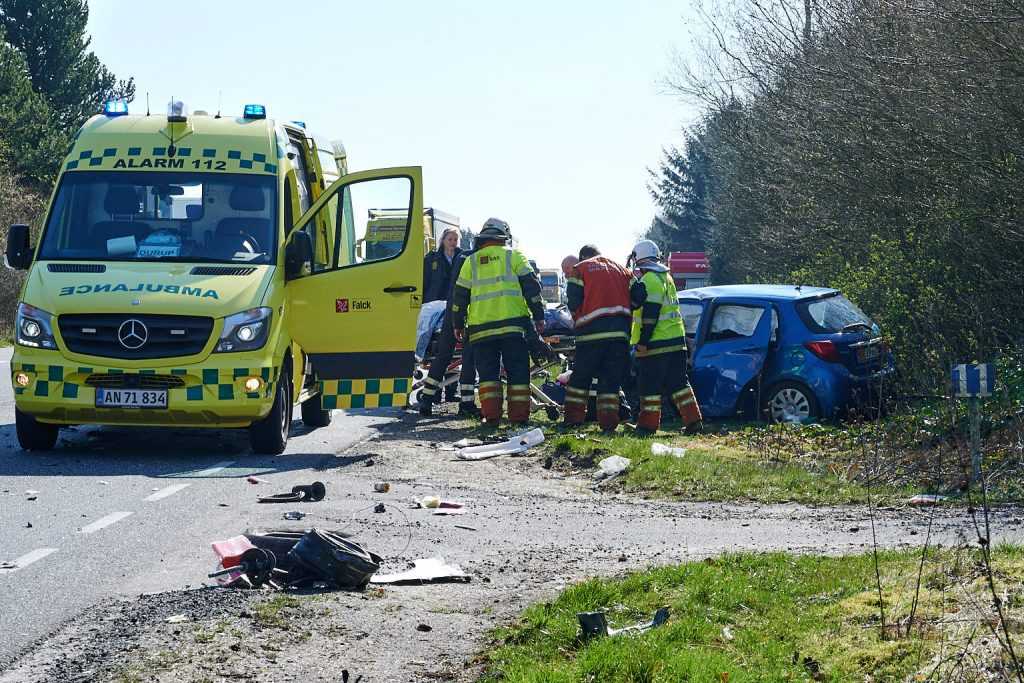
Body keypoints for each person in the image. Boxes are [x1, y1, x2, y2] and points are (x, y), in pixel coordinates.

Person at [451, 218, 544, 425]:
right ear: (504, 236)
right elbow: (532, 288)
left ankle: (491, 417)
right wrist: (539, 316)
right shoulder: (514, 256)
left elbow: (459, 298)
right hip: (513, 327)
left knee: (487, 376)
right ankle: (519, 418)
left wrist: (457, 324)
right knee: (518, 373)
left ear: (483, 238)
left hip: (481, 330)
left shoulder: (471, 261)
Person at [628, 239, 703, 434]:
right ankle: (693, 421)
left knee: (649, 386)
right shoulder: (666, 278)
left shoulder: (649, 280)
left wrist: (643, 342)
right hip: (677, 342)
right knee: (679, 385)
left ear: (639, 259)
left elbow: (651, 314)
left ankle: (646, 427)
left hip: (655, 344)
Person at [563, 245, 633, 432]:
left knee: (580, 380)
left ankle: (572, 420)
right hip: (619, 336)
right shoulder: (623, 270)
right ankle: (609, 424)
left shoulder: (581, 269)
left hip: (591, 335)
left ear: (583, 257)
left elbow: (573, 300)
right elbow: (638, 296)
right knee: (610, 383)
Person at [418, 243, 478, 417]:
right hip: (469, 316)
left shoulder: (461, 258)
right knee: (468, 360)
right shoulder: (479, 261)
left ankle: (426, 401)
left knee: (442, 358)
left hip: (450, 314)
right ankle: (466, 405)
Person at [422, 228, 461, 304]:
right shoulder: (432, 258)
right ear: (443, 240)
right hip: (434, 301)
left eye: (455, 240)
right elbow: (425, 281)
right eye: (450, 239)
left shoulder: (462, 258)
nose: (453, 242)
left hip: (454, 301)